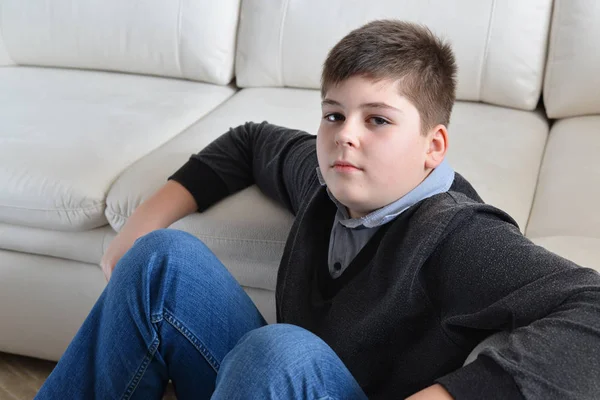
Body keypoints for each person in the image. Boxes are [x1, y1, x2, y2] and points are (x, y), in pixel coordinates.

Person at [36, 20, 600, 400]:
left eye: (377, 120)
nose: (344, 137)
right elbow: (249, 141)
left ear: (433, 147)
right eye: (334, 114)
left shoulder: (454, 234)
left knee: (278, 349)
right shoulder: (326, 179)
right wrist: (136, 229)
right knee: (161, 259)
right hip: (280, 384)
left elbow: (591, 312)